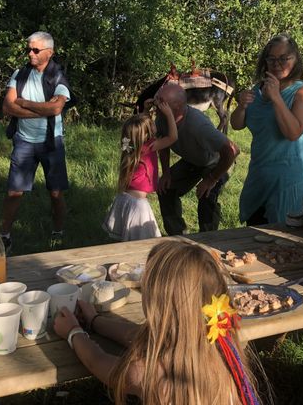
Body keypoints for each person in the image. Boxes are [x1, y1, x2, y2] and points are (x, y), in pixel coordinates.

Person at [53, 239, 264, 404]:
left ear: (159, 309)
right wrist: (95, 321)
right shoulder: (221, 342)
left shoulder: (147, 372)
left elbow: (97, 361)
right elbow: (138, 334)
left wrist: (73, 331)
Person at [230, 34, 303, 225]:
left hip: (290, 178)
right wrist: (241, 106)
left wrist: (276, 98)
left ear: (295, 59)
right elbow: (237, 124)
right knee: (255, 239)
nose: (277, 63)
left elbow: (293, 133)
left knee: (287, 242)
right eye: (271, 58)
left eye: (283, 58)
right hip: (260, 175)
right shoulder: (257, 89)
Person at [1, 31, 72, 252]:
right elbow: (7, 106)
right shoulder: (19, 74)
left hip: (51, 142)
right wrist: (40, 110)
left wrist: (23, 103)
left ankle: (58, 232)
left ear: (49, 53)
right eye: (28, 49)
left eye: (35, 50)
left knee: (56, 192)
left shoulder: (58, 78)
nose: (30, 53)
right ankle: (4, 235)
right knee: (15, 192)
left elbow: (56, 108)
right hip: (24, 142)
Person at [153, 83, 239, 235]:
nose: (156, 103)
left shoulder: (198, 125)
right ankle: (178, 238)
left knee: (207, 194)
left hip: (218, 161)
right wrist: (166, 173)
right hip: (194, 160)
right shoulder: (162, 117)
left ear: (177, 106)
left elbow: (229, 151)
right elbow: (163, 144)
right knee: (165, 188)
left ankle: (208, 240)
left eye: (161, 101)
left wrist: (211, 179)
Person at [103, 100, 178, 241]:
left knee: (127, 239)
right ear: (146, 134)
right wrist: (169, 114)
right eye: (150, 122)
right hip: (138, 205)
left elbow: (137, 127)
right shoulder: (149, 146)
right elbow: (173, 137)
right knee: (143, 244)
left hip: (125, 198)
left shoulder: (129, 146)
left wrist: (145, 110)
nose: (152, 121)